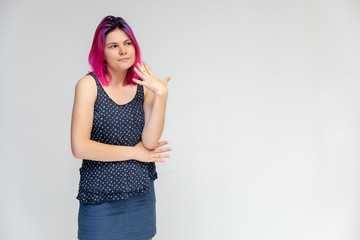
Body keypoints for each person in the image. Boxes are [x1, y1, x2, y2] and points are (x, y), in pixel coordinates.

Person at [70, 15, 171, 240]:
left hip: (140, 194)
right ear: (102, 53)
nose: (123, 51)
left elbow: (150, 142)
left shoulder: (142, 88)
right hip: (100, 198)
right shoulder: (88, 85)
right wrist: (134, 152)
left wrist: (161, 95)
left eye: (127, 44)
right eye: (113, 46)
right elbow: (80, 147)